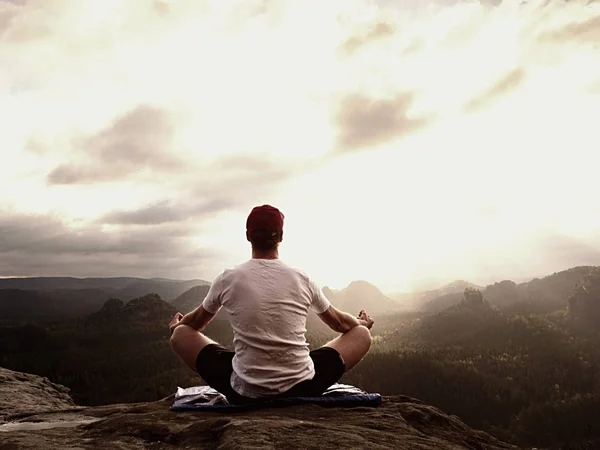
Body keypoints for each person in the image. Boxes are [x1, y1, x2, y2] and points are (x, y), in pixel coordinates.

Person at [169, 204, 374, 404]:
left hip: (245, 392)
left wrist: (179, 325)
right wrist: (360, 324)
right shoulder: (301, 278)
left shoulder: (228, 278)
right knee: (361, 335)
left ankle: (250, 371)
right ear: (281, 236)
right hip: (303, 385)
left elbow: (196, 323)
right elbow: (339, 323)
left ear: (248, 236)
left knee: (180, 335)